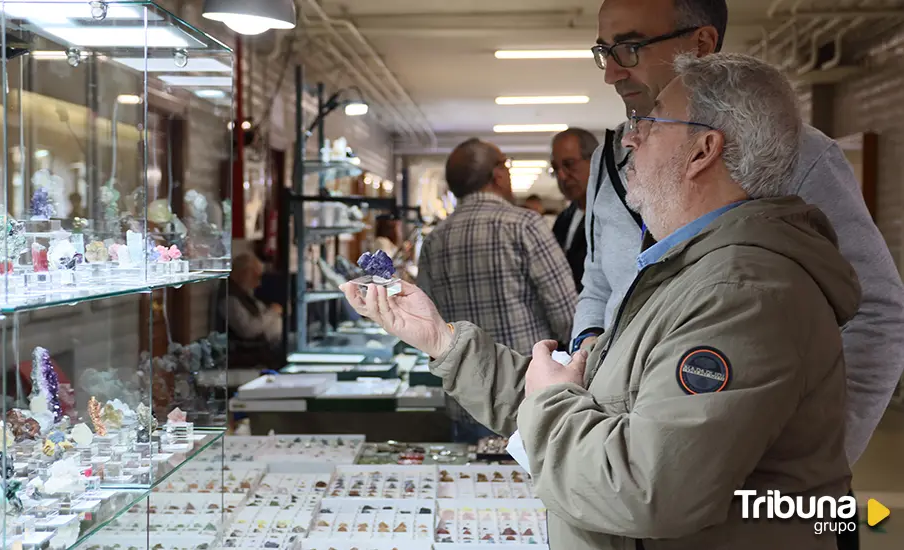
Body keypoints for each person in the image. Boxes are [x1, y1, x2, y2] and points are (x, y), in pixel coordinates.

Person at [343, 52, 860, 550]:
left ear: (704, 150)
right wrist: (442, 339)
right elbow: (591, 399)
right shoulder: (685, 271)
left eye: (651, 124)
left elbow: (644, 489)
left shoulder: (741, 294)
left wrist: (551, 403)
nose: (629, 139)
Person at [575, 0, 904, 474]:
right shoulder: (609, 162)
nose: (611, 73)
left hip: (748, 473)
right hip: (633, 456)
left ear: (701, 43)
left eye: (629, 48)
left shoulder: (792, 152)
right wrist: (589, 350)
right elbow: (600, 284)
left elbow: (877, 312)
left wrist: (814, 464)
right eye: (604, 50)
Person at [416, 138, 577, 443]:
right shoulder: (524, 225)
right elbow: (566, 313)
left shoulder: (435, 239)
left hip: (465, 398)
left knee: (474, 488)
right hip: (525, 397)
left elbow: (427, 321)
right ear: (498, 175)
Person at [550, 128, 600, 292]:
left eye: (569, 165)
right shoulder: (564, 219)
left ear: (595, 160)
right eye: (556, 168)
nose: (562, 176)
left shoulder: (615, 216)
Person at [220, 252, 283, 351]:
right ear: (243, 274)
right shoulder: (230, 299)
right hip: (262, 348)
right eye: (255, 277)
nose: (258, 283)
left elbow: (261, 313)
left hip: (276, 340)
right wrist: (272, 312)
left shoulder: (245, 295)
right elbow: (248, 330)